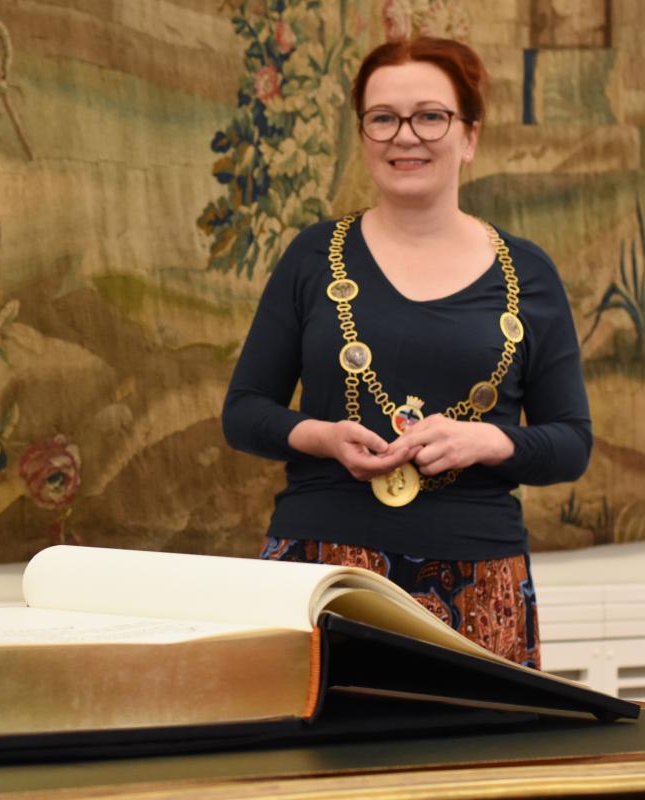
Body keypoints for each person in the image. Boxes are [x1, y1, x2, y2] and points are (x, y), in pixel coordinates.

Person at [221, 38, 591, 669]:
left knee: (471, 765)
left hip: (482, 578)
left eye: (430, 116)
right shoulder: (312, 258)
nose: (405, 136)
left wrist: (489, 443)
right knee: (314, 764)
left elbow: (572, 443)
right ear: (364, 135)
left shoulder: (528, 273)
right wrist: (321, 436)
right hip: (323, 572)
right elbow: (244, 412)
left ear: (469, 136)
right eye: (383, 118)